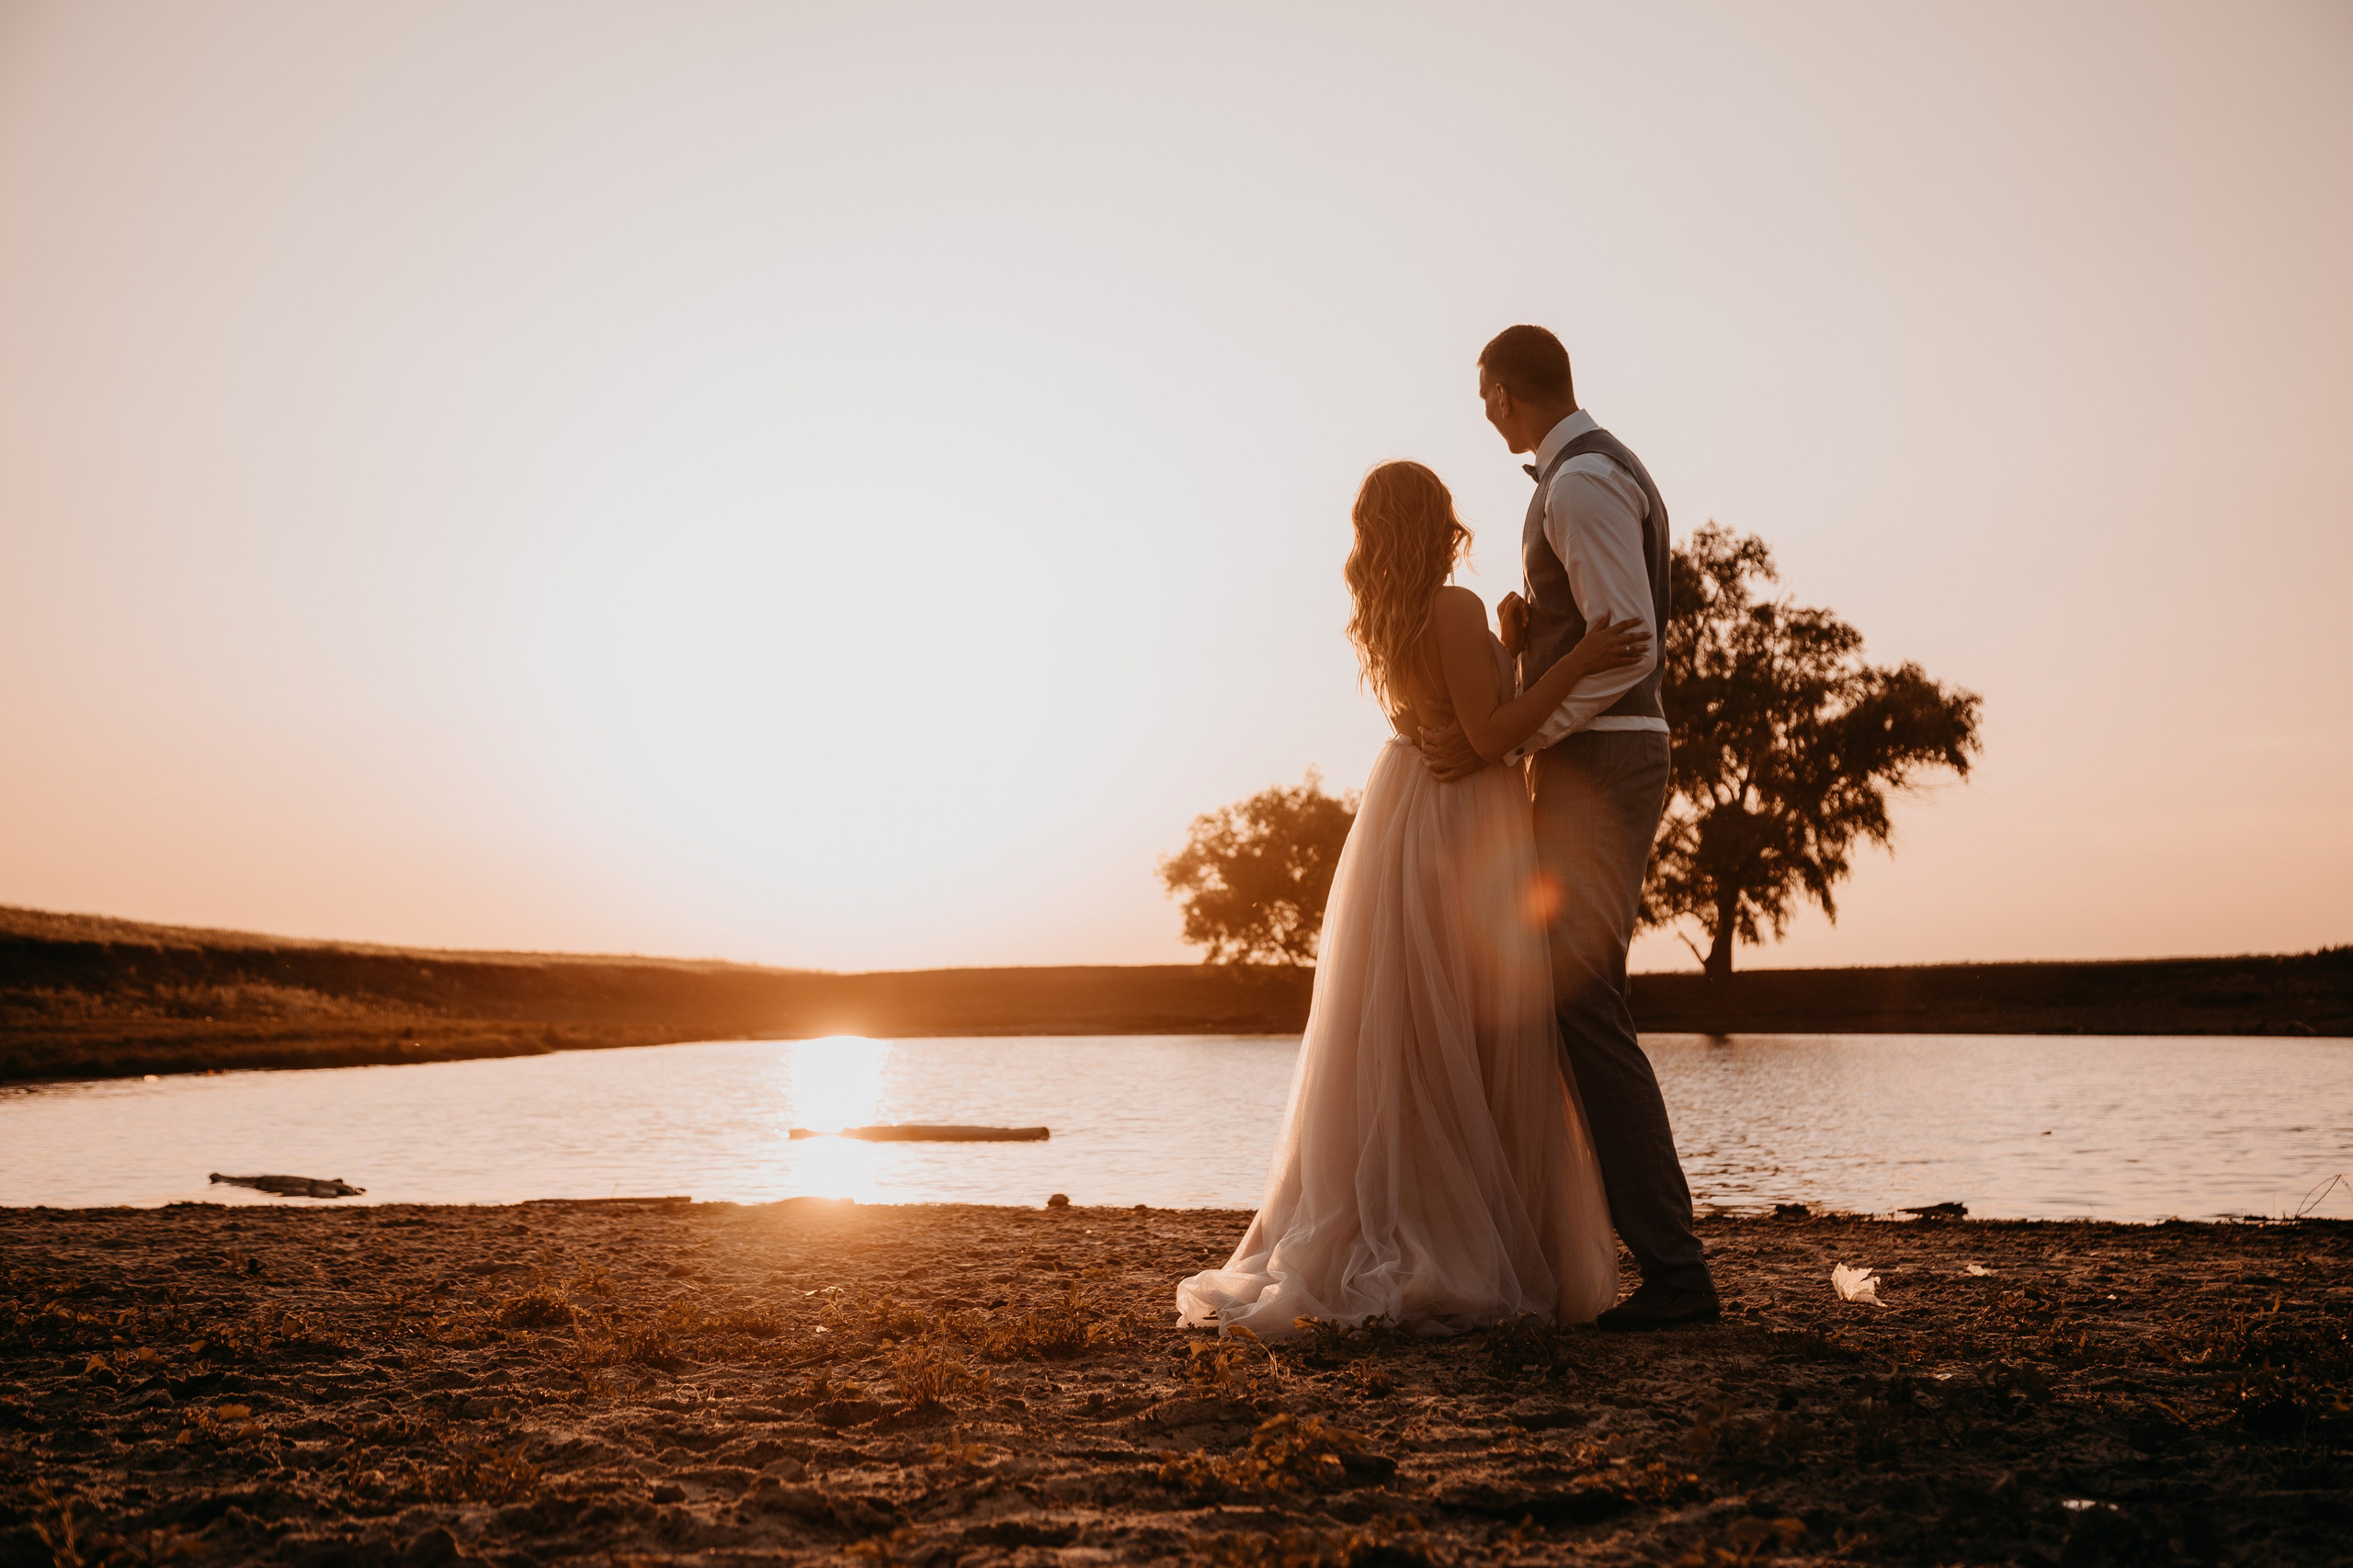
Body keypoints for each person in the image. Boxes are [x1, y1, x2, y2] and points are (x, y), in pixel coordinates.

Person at [1176, 460, 1647, 1339]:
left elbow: (1468, 710)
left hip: (1411, 814)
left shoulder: (1396, 616)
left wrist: (1510, 649)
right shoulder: (1452, 606)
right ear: (1438, 521)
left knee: (1425, 1033)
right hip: (1461, 821)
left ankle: (1435, 1213)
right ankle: (1462, 1237)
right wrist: (1583, 655)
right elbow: (1493, 736)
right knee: (1469, 1026)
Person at [1417, 324, 1719, 1330]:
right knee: (1569, 1000)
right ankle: (1597, 1248)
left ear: (1506, 392)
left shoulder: (1580, 483)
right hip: (1598, 756)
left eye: (1484, 396)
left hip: (1602, 759)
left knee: (1583, 1000)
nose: (1485, 412)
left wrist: (1515, 735)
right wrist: (1527, 647)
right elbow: (1594, 634)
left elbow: (1626, 646)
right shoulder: (1585, 472)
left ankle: (1676, 1272)